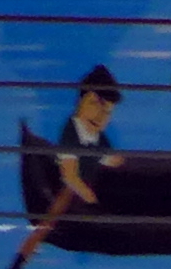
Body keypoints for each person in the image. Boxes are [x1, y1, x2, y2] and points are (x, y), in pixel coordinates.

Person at [52, 67, 126, 209]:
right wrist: (91, 199)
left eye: (107, 112)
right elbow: (69, 175)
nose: (100, 116)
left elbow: (109, 158)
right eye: (94, 104)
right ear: (80, 101)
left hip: (92, 184)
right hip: (75, 192)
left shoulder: (99, 136)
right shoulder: (71, 134)